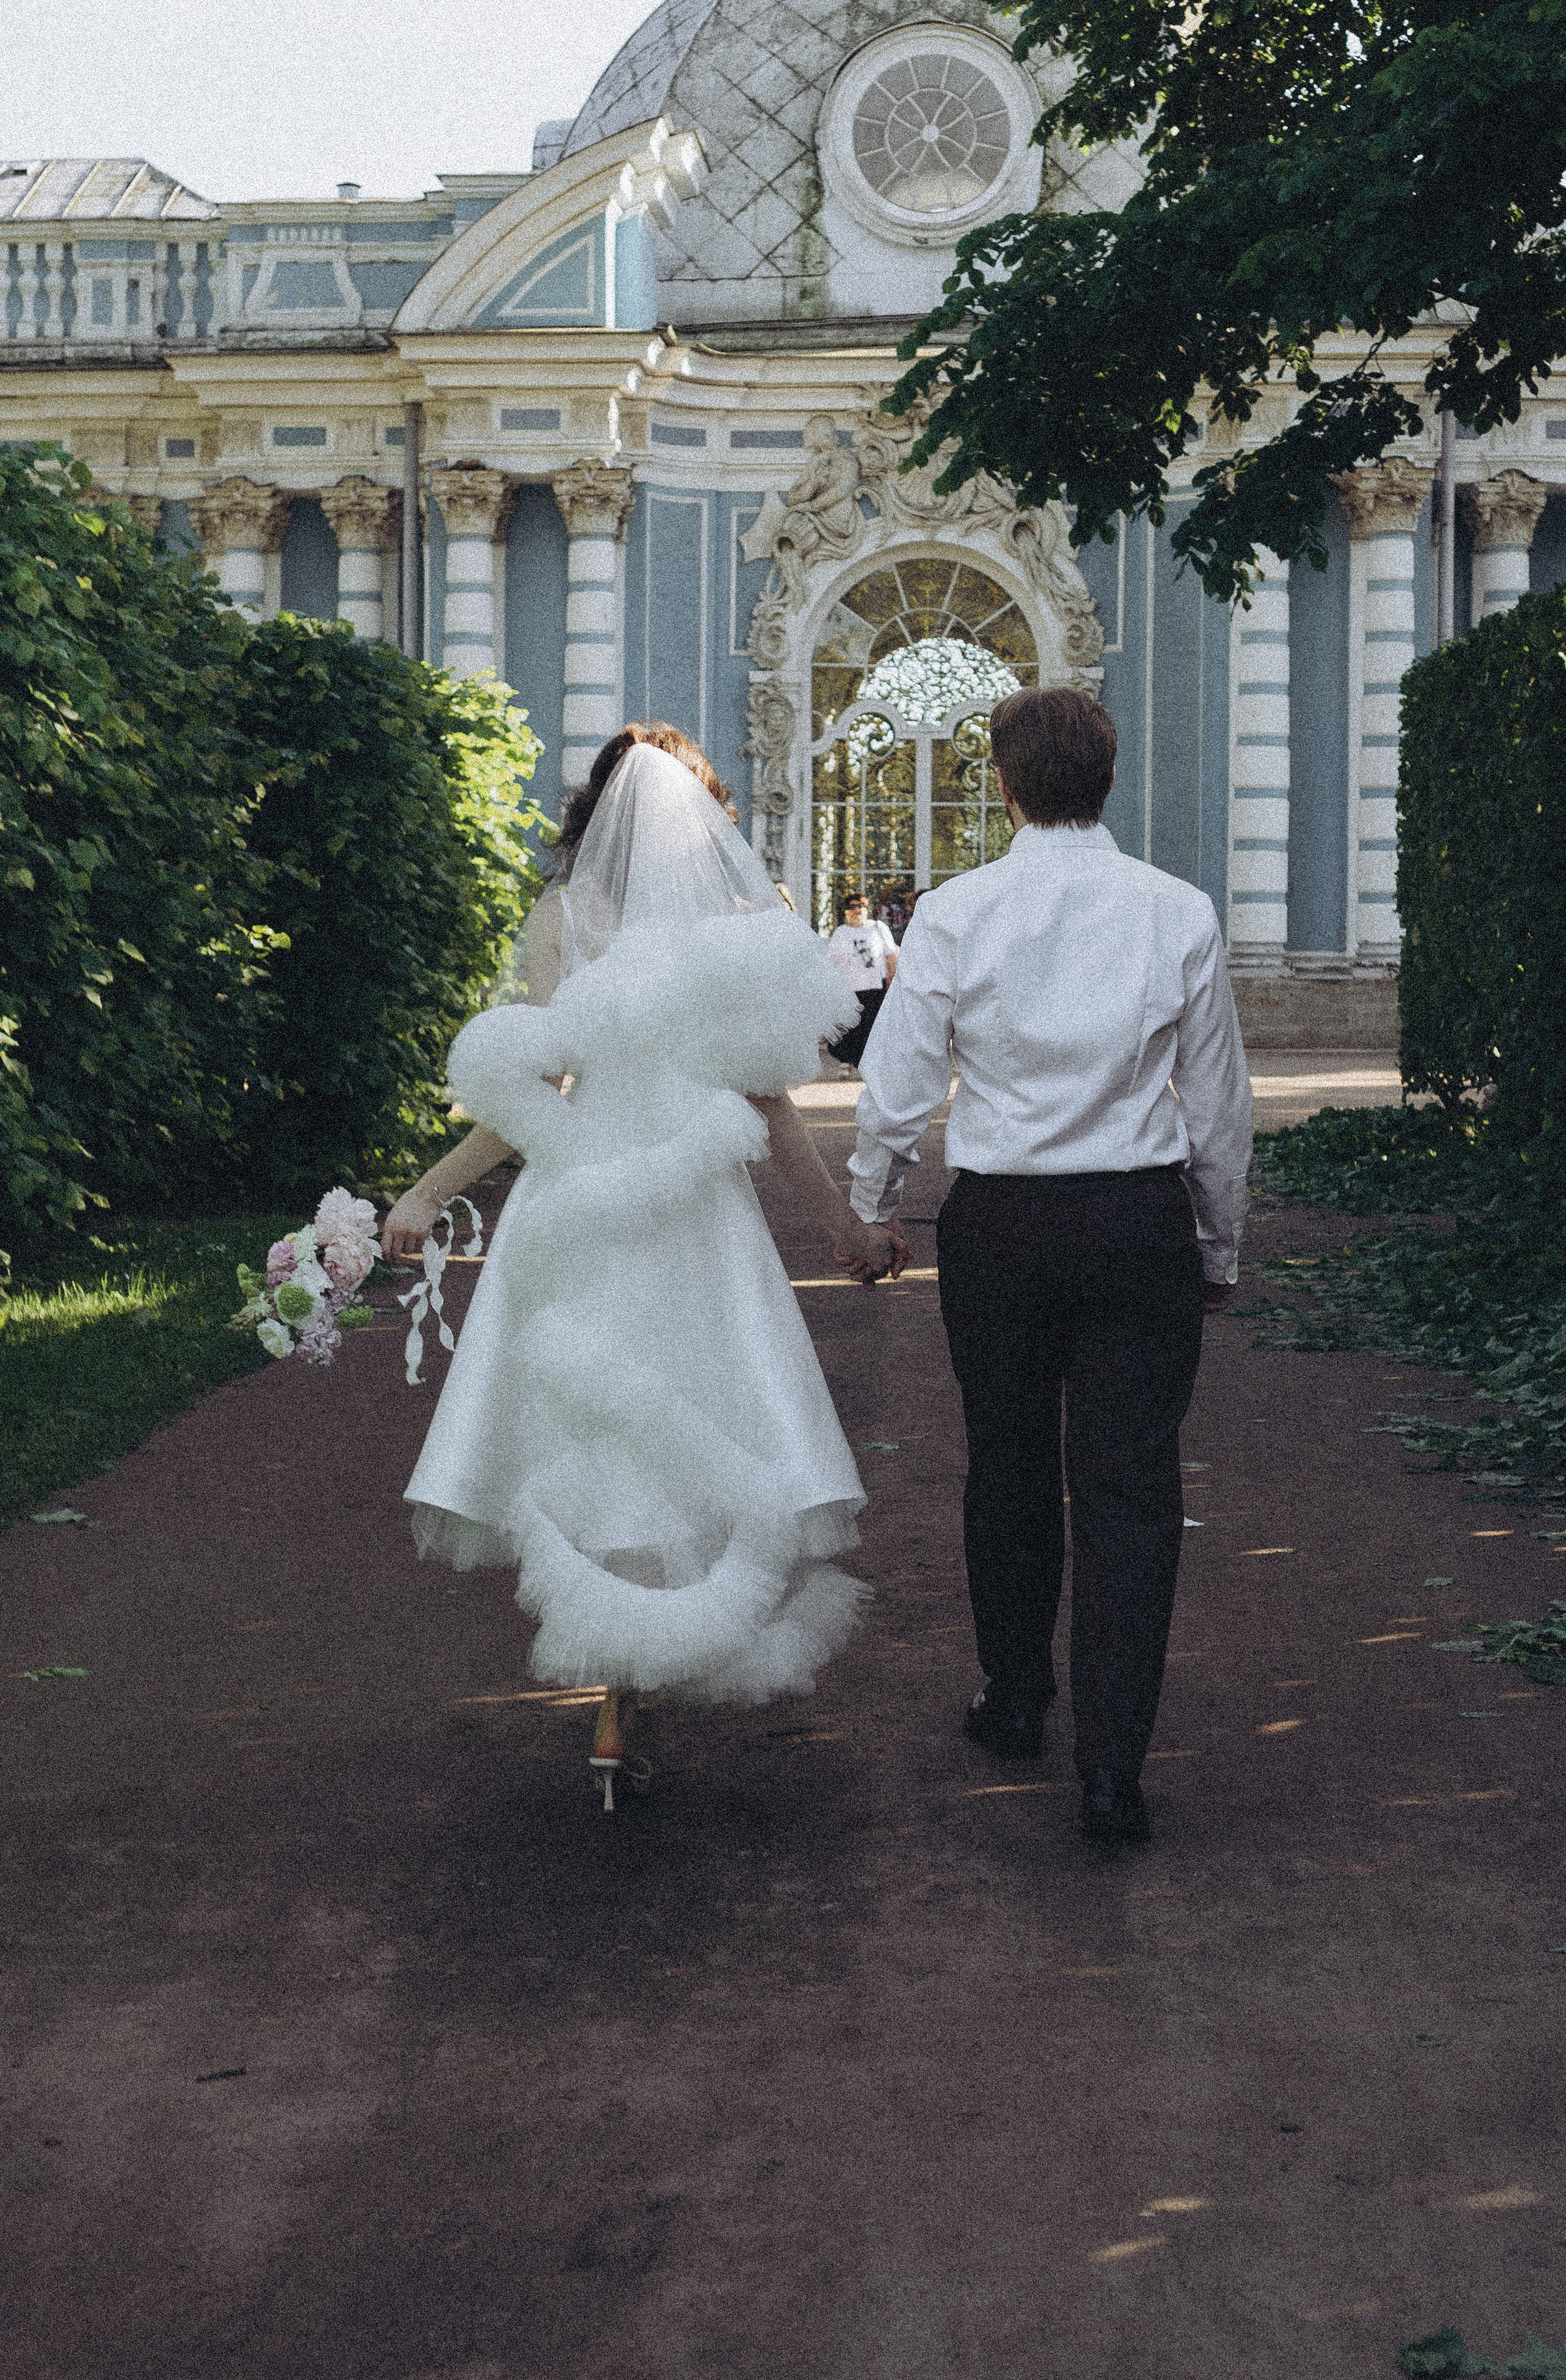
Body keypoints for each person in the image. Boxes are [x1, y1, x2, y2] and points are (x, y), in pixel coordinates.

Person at [386, 726, 907, 1808]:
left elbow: (537, 1086)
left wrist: (433, 1189)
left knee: (606, 1430)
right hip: (696, 1215)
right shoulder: (739, 928)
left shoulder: (564, 920)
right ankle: (650, 1664)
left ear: (594, 812)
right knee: (705, 1415)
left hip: (579, 1206)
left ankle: (619, 1693)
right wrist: (846, 1234)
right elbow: (770, 1105)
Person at [848, 687, 1254, 1847]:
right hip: (1138, 1224)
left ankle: (1017, 1701)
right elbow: (1219, 1105)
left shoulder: (958, 914)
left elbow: (902, 1085)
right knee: (1133, 1491)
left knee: (1010, 1470)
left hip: (1002, 1231)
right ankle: (1113, 1770)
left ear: (1006, 784)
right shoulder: (1176, 911)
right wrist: (1217, 1244)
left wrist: (872, 1213)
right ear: (1108, 779)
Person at [825, 891, 898, 1070]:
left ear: (867, 909)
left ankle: (869, 1065)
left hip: (875, 987)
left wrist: (891, 981)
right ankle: (849, 1062)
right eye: (852, 907)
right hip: (850, 989)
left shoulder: (878, 928)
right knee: (850, 1029)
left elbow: (891, 956)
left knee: (872, 1028)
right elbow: (832, 962)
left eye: (860, 906)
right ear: (846, 911)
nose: (856, 910)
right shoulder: (841, 932)